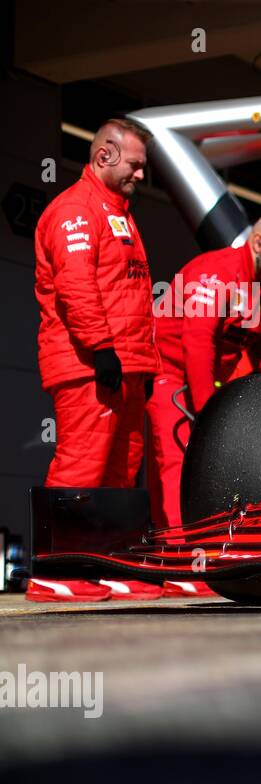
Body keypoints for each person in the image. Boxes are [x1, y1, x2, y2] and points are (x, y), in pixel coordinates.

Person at [28, 118, 161, 602]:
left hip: (124, 365)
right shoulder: (75, 211)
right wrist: (102, 348)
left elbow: (130, 293)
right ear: (105, 154)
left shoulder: (116, 212)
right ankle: (53, 571)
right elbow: (76, 287)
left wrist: (143, 366)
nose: (141, 176)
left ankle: (111, 566)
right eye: (136, 165)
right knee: (82, 466)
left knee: (121, 471)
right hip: (88, 363)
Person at [146, 214, 261, 531]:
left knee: (216, 466)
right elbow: (198, 341)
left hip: (211, 377)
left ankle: (205, 548)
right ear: (258, 243)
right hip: (169, 372)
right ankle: (179, 563)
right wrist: (206, 409)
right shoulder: (216, 273)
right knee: (178, 463)